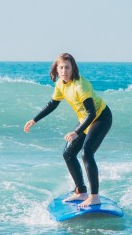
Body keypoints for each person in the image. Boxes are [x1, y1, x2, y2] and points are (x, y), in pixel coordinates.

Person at [24, 53, 113, 208]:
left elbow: (91, 113)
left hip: (101, 118)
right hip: (85, 120)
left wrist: (76, 132)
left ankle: (94, 197)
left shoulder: (80, 85)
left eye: (67, 67)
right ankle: (81, 192)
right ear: (57, 70)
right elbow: (53, 103)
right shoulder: (60, 84)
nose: (64, 71)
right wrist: (34, 119)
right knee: (68, 153)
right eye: (61, 67)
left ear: (73, 69)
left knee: (87, 152)